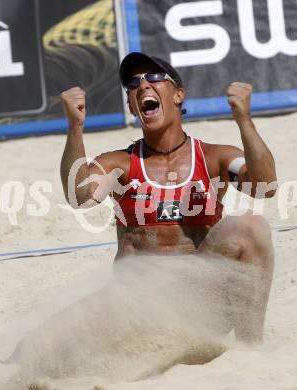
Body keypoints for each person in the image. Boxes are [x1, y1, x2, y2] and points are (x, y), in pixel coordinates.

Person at [60, 52, 277, 344]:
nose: (143, 85)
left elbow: (265, 186)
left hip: (202, 305)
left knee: (251, 227)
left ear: (178, 95)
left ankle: (252, 350)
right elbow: (80, 198)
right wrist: (75, 128)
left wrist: (244, 120)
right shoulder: (119, 164)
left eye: (154, 77)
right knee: (48, 342)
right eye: (134, 83)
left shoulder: (213, 157)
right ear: (132, 106)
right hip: (137, 310)